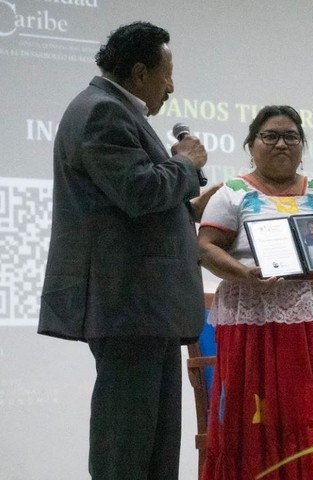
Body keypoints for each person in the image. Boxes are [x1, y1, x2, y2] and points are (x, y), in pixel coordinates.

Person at [37, 21, 218, 480]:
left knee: (155, 453)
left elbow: (129, 205)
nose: (171, 87)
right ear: (139, 73)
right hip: (129, 305)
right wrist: (186, 164)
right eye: (166, 74)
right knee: (128, 450)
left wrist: (191, 210)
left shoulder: (112, 109)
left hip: (146, 310)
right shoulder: (103, 111)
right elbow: (137, 191)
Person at [198, 105, 313, 479]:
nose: (281, 144)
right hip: (255, 317)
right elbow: (205, 247)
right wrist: (244, 274)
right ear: (251, 144)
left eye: (291, 137)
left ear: (302, 146)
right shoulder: (232, 192)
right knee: (257, 412)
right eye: (270, 136)